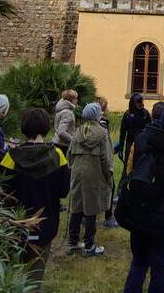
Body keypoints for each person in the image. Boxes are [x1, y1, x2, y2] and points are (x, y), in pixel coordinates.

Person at [117, 101, 164, 293]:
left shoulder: (141, 138)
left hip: (140, 209)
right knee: (161, 266)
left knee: (139, 262)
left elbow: (130, 170)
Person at [0, 108, 70, 279]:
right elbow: (63, 191)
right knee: (34, 278)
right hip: (46, 223)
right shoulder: (58, 156)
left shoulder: (10, 157)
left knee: (11, 276)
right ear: (46, 128)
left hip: (15, 224)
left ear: (24, 128)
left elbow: (2, 192)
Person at [67, 102, 113, 257]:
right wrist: (108, 176)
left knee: (77, 207)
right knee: (91, 208)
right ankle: (89, 246)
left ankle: (72, 242)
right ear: (97, 116)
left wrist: (73, 169)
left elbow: (69, 154)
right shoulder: (102, 133)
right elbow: (106, 159)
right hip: (94, 172)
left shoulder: (78, 131)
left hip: (77, 173)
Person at [96, 96, 119, 228]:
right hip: (102, 160)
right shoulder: (103, 123)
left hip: (92, 161)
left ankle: (86, 216)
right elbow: (104, 144)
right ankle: (108, 216)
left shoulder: (87, 124)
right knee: (110, 186)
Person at [119, 93, 152, 167]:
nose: (140, 104)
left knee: (140, 166)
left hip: (142, 143)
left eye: (141, 102)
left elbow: (150, 130)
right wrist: (121, 148)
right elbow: (122, 132)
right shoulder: (127, 114)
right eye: (138, 102)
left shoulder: (145, 113)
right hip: (130, 142)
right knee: (128, 166)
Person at [51, 89, 79, 154]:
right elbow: (61, 132)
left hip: (56, 142)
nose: (77, 100)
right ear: (71, 99)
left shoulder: (60, 109)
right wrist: (73, 140)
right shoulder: (67, 112)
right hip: (62, 145)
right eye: (76, 98)